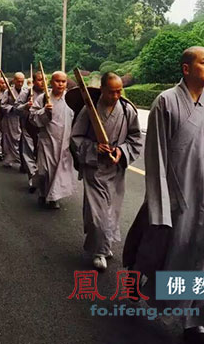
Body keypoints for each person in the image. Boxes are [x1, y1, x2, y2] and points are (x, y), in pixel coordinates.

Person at [122, 47, 204, 344]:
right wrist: (161, 205)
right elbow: (155, 158)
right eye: (203, 62)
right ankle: (135, 275)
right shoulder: (166, 102)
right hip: (172, 196)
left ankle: (192, 322)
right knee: (159, 250)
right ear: (186, 68)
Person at [70, 72, 142, 270]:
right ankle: (100, 252)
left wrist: (121, 150)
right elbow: (75, 138)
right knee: (98, 213)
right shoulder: (88, 111)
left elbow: (135, 138)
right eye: (112, 92)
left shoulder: (127, 111)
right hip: (94, 169)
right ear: (102, 89)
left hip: (116, 169)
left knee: (112, 211)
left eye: (119, 91)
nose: (116, 96)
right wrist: (94, 148)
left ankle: (104, 245)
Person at [29, 71, 77, 209]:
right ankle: (43, 193)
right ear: (51, 82)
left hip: (65, 142)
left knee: (59, 171)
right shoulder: (44, 98)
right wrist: (44, 111)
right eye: (57, 81)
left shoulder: (71, 99)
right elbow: (32, 118)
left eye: (63, 81)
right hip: (47, 141)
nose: (60, 84)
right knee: (44, 170)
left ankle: (54, 197)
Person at [13, 71, 44, 191]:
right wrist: (26, 105)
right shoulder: (27, 92)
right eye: (40, 80)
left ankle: (42, 179)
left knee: (42, 155)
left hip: (43, 129)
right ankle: (33, 178)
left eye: (44, 79)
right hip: (28, 126)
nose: (42, 82)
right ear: (34, 81)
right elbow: (16, 108)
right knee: (28, 154)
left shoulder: (49, 93)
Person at [1, 72, 25, 167]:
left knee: (21, 140)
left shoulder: (26, 91)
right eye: (18, 81)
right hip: (10, 119)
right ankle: (9, 159)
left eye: (22, 82)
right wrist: (12, 108)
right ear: (14, 81)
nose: (20, 83)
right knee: (9, 140)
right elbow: (3, 105)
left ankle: (22, 162)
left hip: (21, 119)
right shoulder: (8, 92)